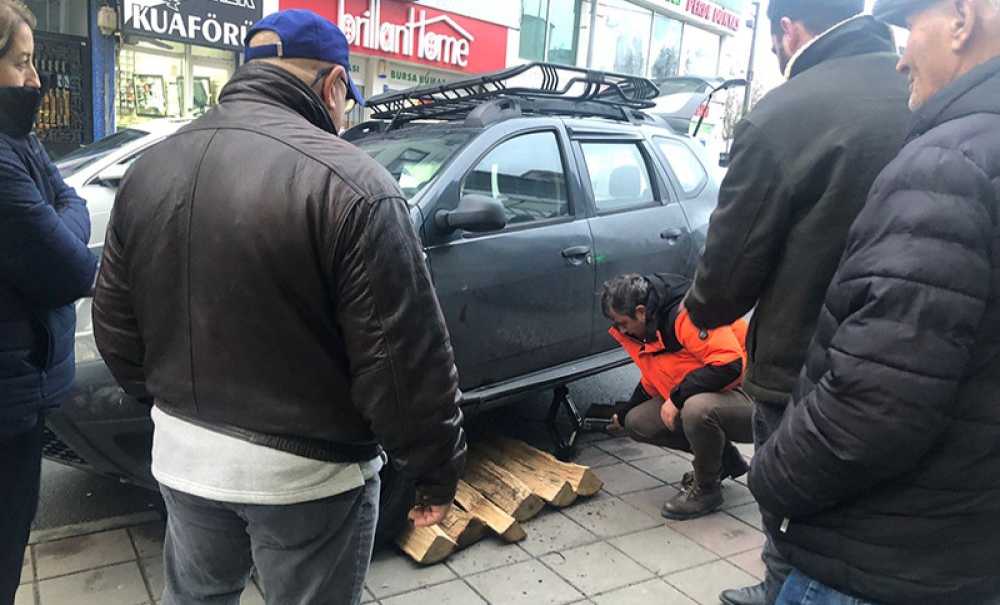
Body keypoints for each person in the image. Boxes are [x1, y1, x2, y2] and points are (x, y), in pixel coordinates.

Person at [92, 10, 466, 605]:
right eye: (347, 101)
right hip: (307, 477)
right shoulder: (354, 184)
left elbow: (115, 328)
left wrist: (179, 410)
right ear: (333, 85)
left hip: (184, 456)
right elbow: (402, 363)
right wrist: (434, 470)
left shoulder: (149, 169)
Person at [749, 0, 1000, 602]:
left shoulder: (949, 167)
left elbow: (873, 407)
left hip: (876, 560)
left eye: (909, 28)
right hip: (965, 546)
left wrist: (769, 477)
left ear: (961, 20)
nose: (901, 59)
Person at [681, 1, 912, 603]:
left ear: (788, 30)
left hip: (802, 361)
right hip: (912, 353)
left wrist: (697, 307)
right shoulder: (923, 91)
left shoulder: (782, 115)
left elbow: (724, 283)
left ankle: (778, 587)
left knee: (787, 500)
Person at [0, 1, 97, 602]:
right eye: (22, 62)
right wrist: (65, 221)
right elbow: (73, 270)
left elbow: (71, 198)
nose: (35, 78)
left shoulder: (18, 139)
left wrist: (63, 217)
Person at [601, 274, 753, 519]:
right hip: (715, 390)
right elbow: (655, 377)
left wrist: (677, 399)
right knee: (637, 421)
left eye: (622, 323)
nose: (620, 330)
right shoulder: (645, 329)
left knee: (695, 409)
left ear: (641, 312)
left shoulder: (688, 315)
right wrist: (625, 411)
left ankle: (706, 490)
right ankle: (722, 459)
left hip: (753, 394)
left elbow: (730, 364)